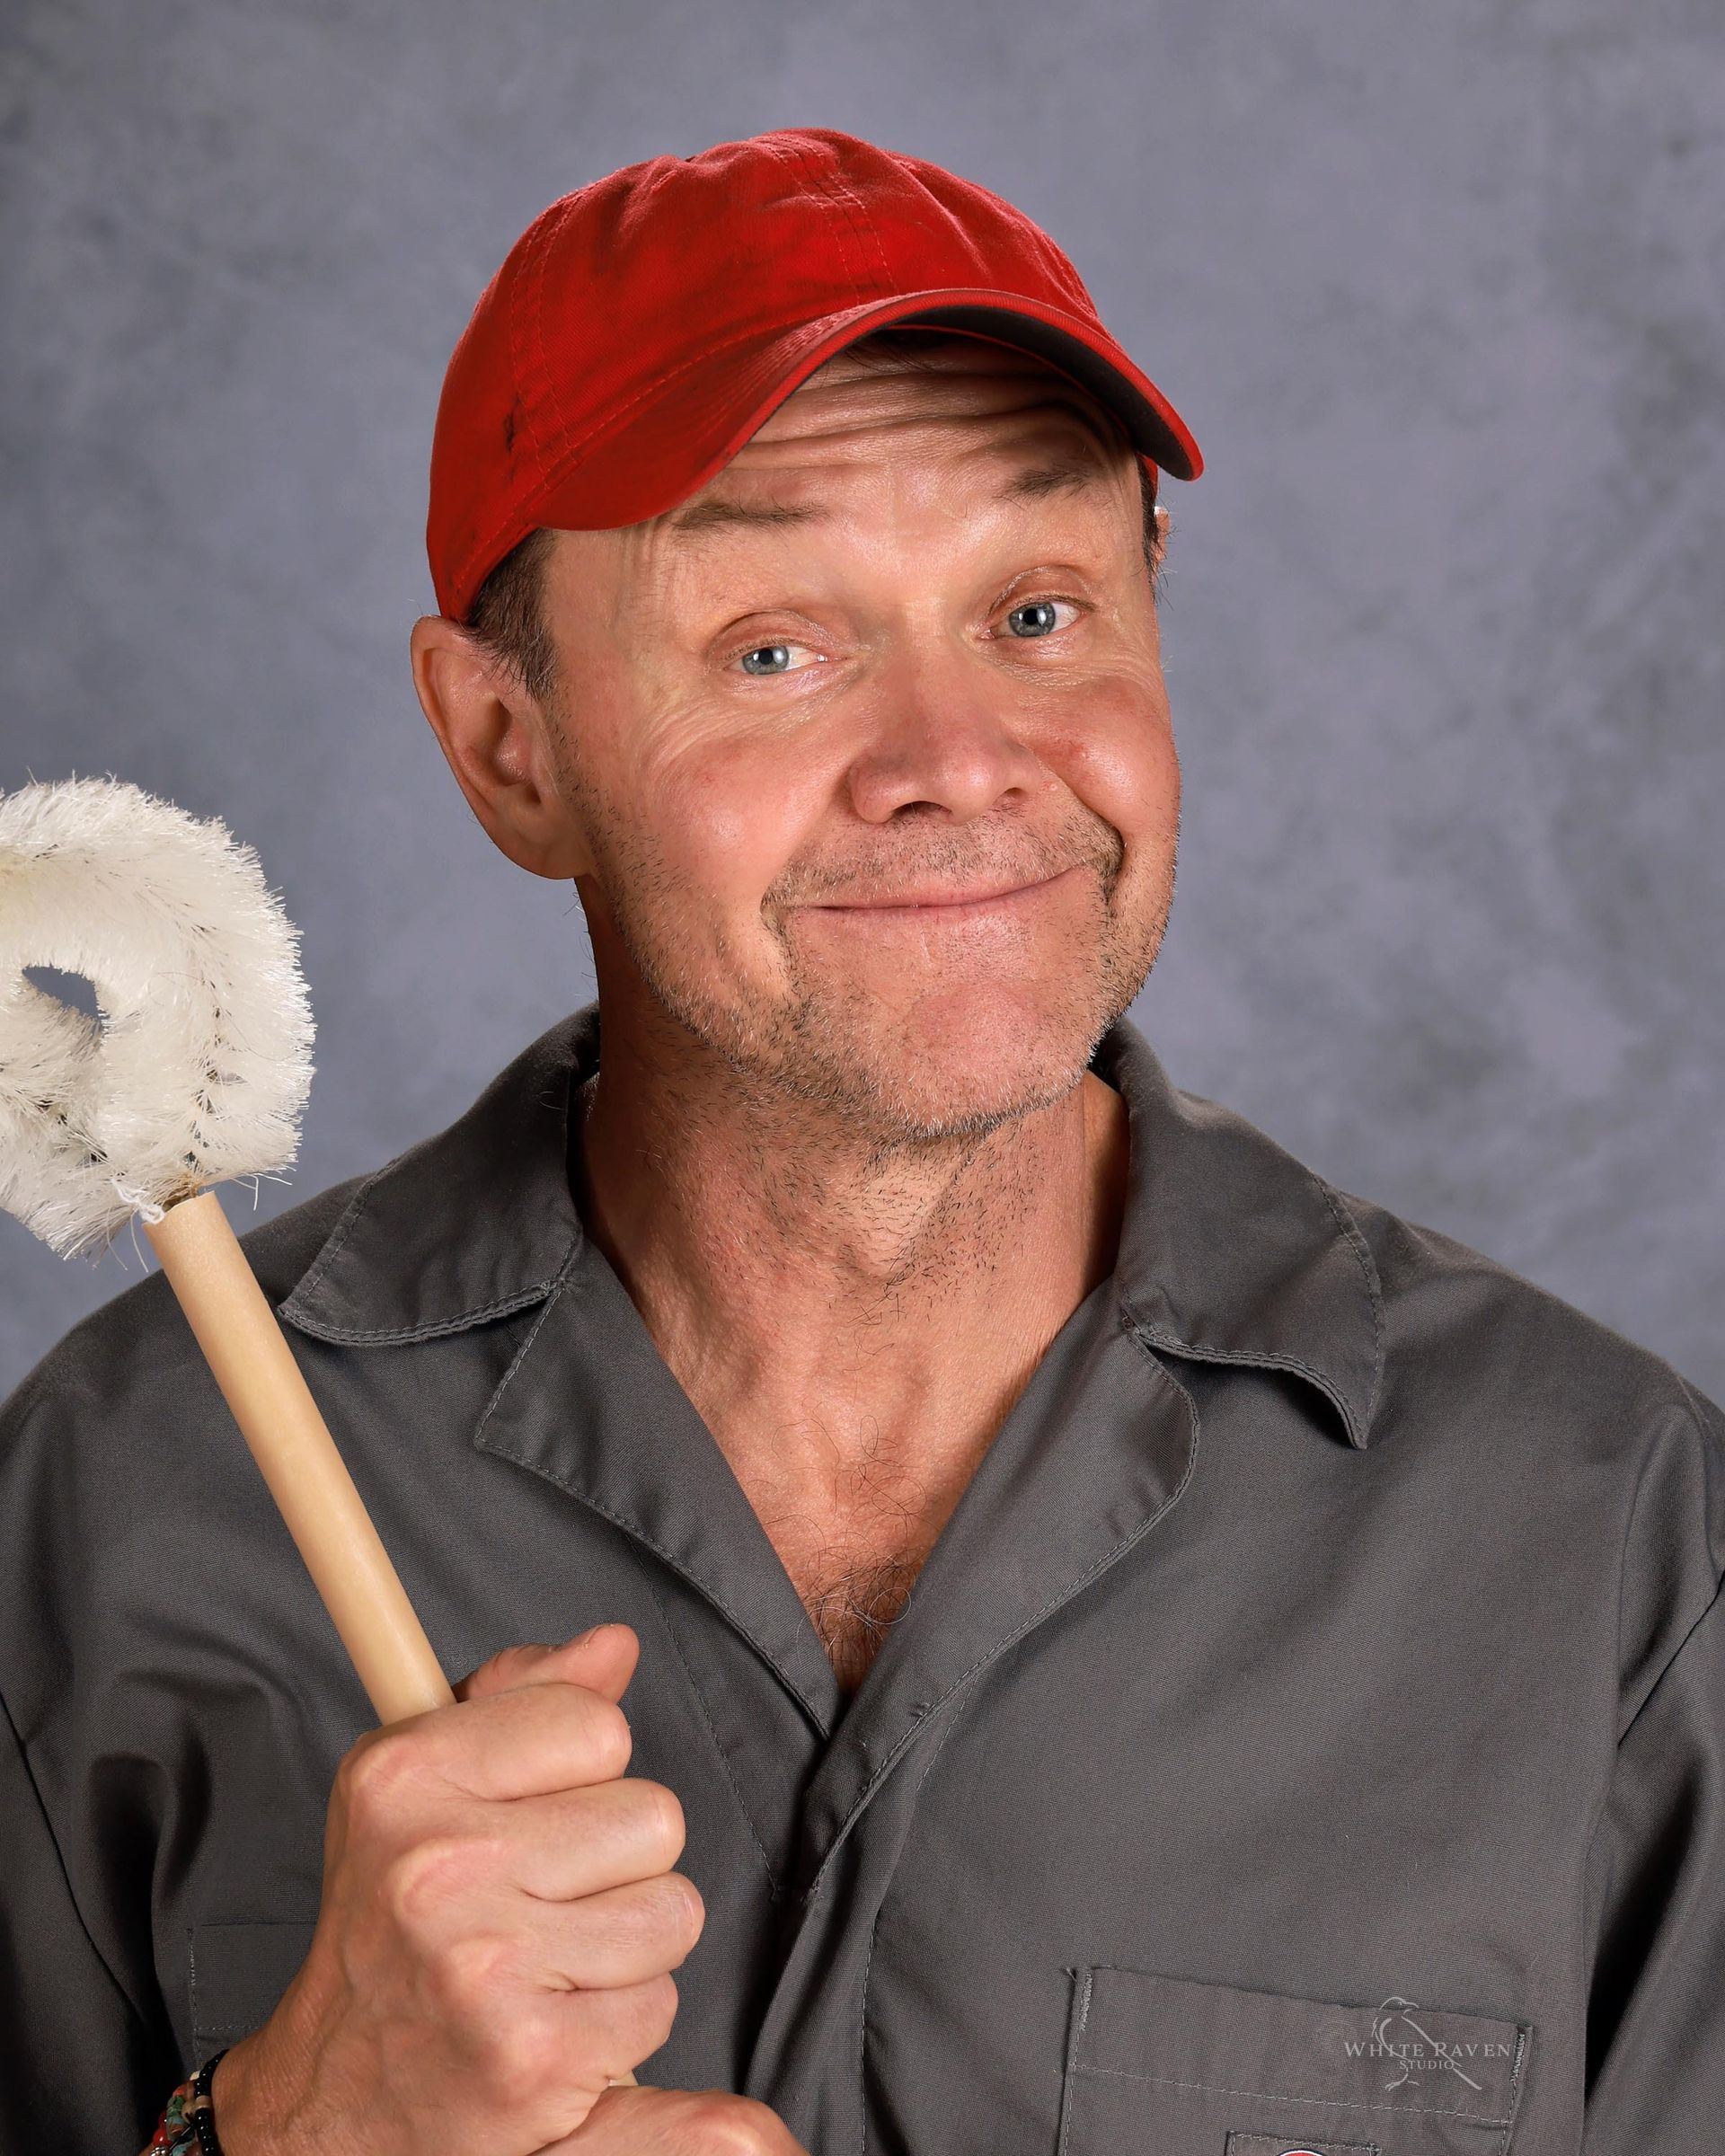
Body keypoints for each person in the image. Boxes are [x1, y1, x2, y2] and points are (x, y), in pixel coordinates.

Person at [1, 126, 1720, 2156]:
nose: (958, 763)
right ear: (508, 746)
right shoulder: (130, 1497)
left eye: (1040, 610)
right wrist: (290, 2133)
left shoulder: (1600, 1535)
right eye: (774, 649)